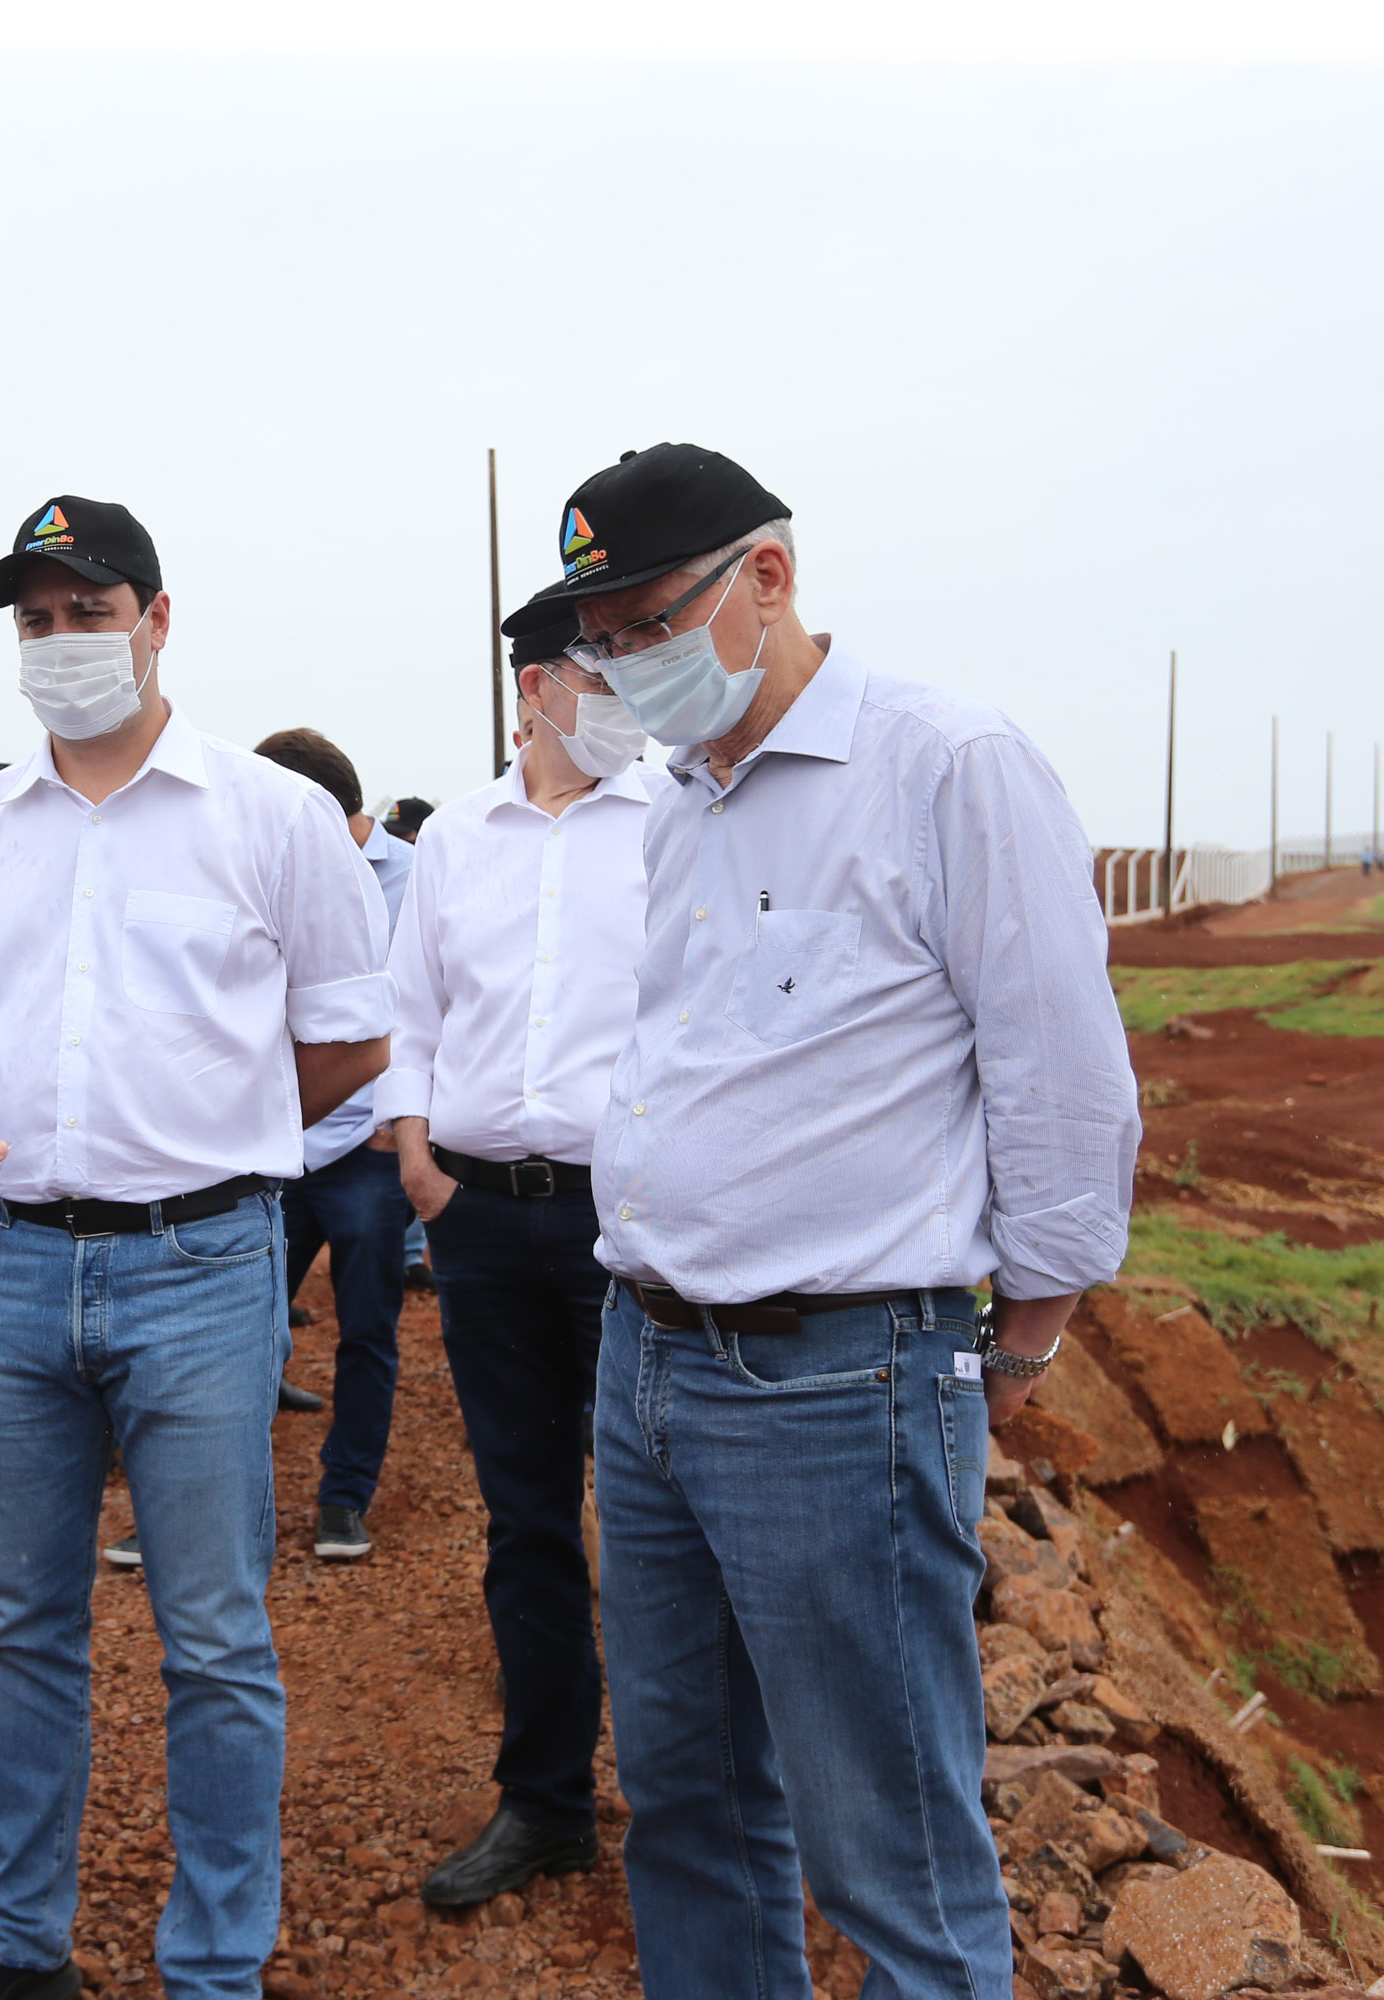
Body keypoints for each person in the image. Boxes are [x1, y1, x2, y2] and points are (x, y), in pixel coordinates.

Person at [512, 444, 1139, 2000]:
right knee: (689, 1806)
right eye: (600, 640)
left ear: (769, 579)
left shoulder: (949, 767)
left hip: (838, 1380)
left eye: (649, 622)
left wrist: (1025, 1335)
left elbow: (1061, 1072)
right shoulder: (681, 800)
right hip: (649, 1363)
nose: (621, 664)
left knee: (889, 1852)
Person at [0, 495, 392, 2000]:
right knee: (20, 1623)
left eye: (90, 611)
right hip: (7, 1263)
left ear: (159, 618)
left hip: (200, 1265)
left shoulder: (272, 816)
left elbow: (348, 1035)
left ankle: (217, 1962)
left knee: (215, 1636)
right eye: (36, 620)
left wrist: (207, 1121)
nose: (61, 641)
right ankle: (14, 1941)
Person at [377, 614, 652, 1909]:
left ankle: (693, 1808)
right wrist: (418, 1159)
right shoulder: (455, 838)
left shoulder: (674, 821)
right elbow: (411, 1012)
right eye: (606, 670)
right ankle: (547, 1803)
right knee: (527, 1518)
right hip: (481, 1221)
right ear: (537, 687)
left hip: (630, 1225)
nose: (630, 691)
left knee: (659, 1519)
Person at [249, 726, 411, 1563]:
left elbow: (431, 1005)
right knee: (230, 1333)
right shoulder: (253, 858)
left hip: (365, 1153)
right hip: (270, 1150)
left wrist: (401, 1124)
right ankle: (215, 1510)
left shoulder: (415, 876)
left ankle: (344, 1498)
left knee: (366, 1332)